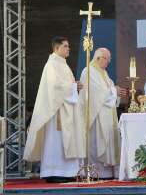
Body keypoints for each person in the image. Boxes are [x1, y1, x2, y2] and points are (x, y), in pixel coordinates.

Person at [24, 37, 85, 183]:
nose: (68, 48)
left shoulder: (63, 65)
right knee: (56, 142)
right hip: (56, 112)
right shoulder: (51, 64)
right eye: (65, 46)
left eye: (68, 46)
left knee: (65, 142)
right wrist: (72, 87)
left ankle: (67, 172)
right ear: (57, 48)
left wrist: (74, 86)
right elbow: (54, 87)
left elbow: (65, 85)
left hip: (65, 110)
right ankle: (55, 171)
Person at [79, 48, 128, 179]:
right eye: (107, 58)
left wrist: (116, 92)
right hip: (95, 117)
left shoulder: (104, 73)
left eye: (109, 59)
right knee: (96, 144)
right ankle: (96, 172)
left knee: (107, 143)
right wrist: (114, 91)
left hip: (106, 115)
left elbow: (108, 90)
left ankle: (107, 173)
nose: (108, 62)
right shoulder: (88, 71)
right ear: (98, 58)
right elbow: (96, 93)